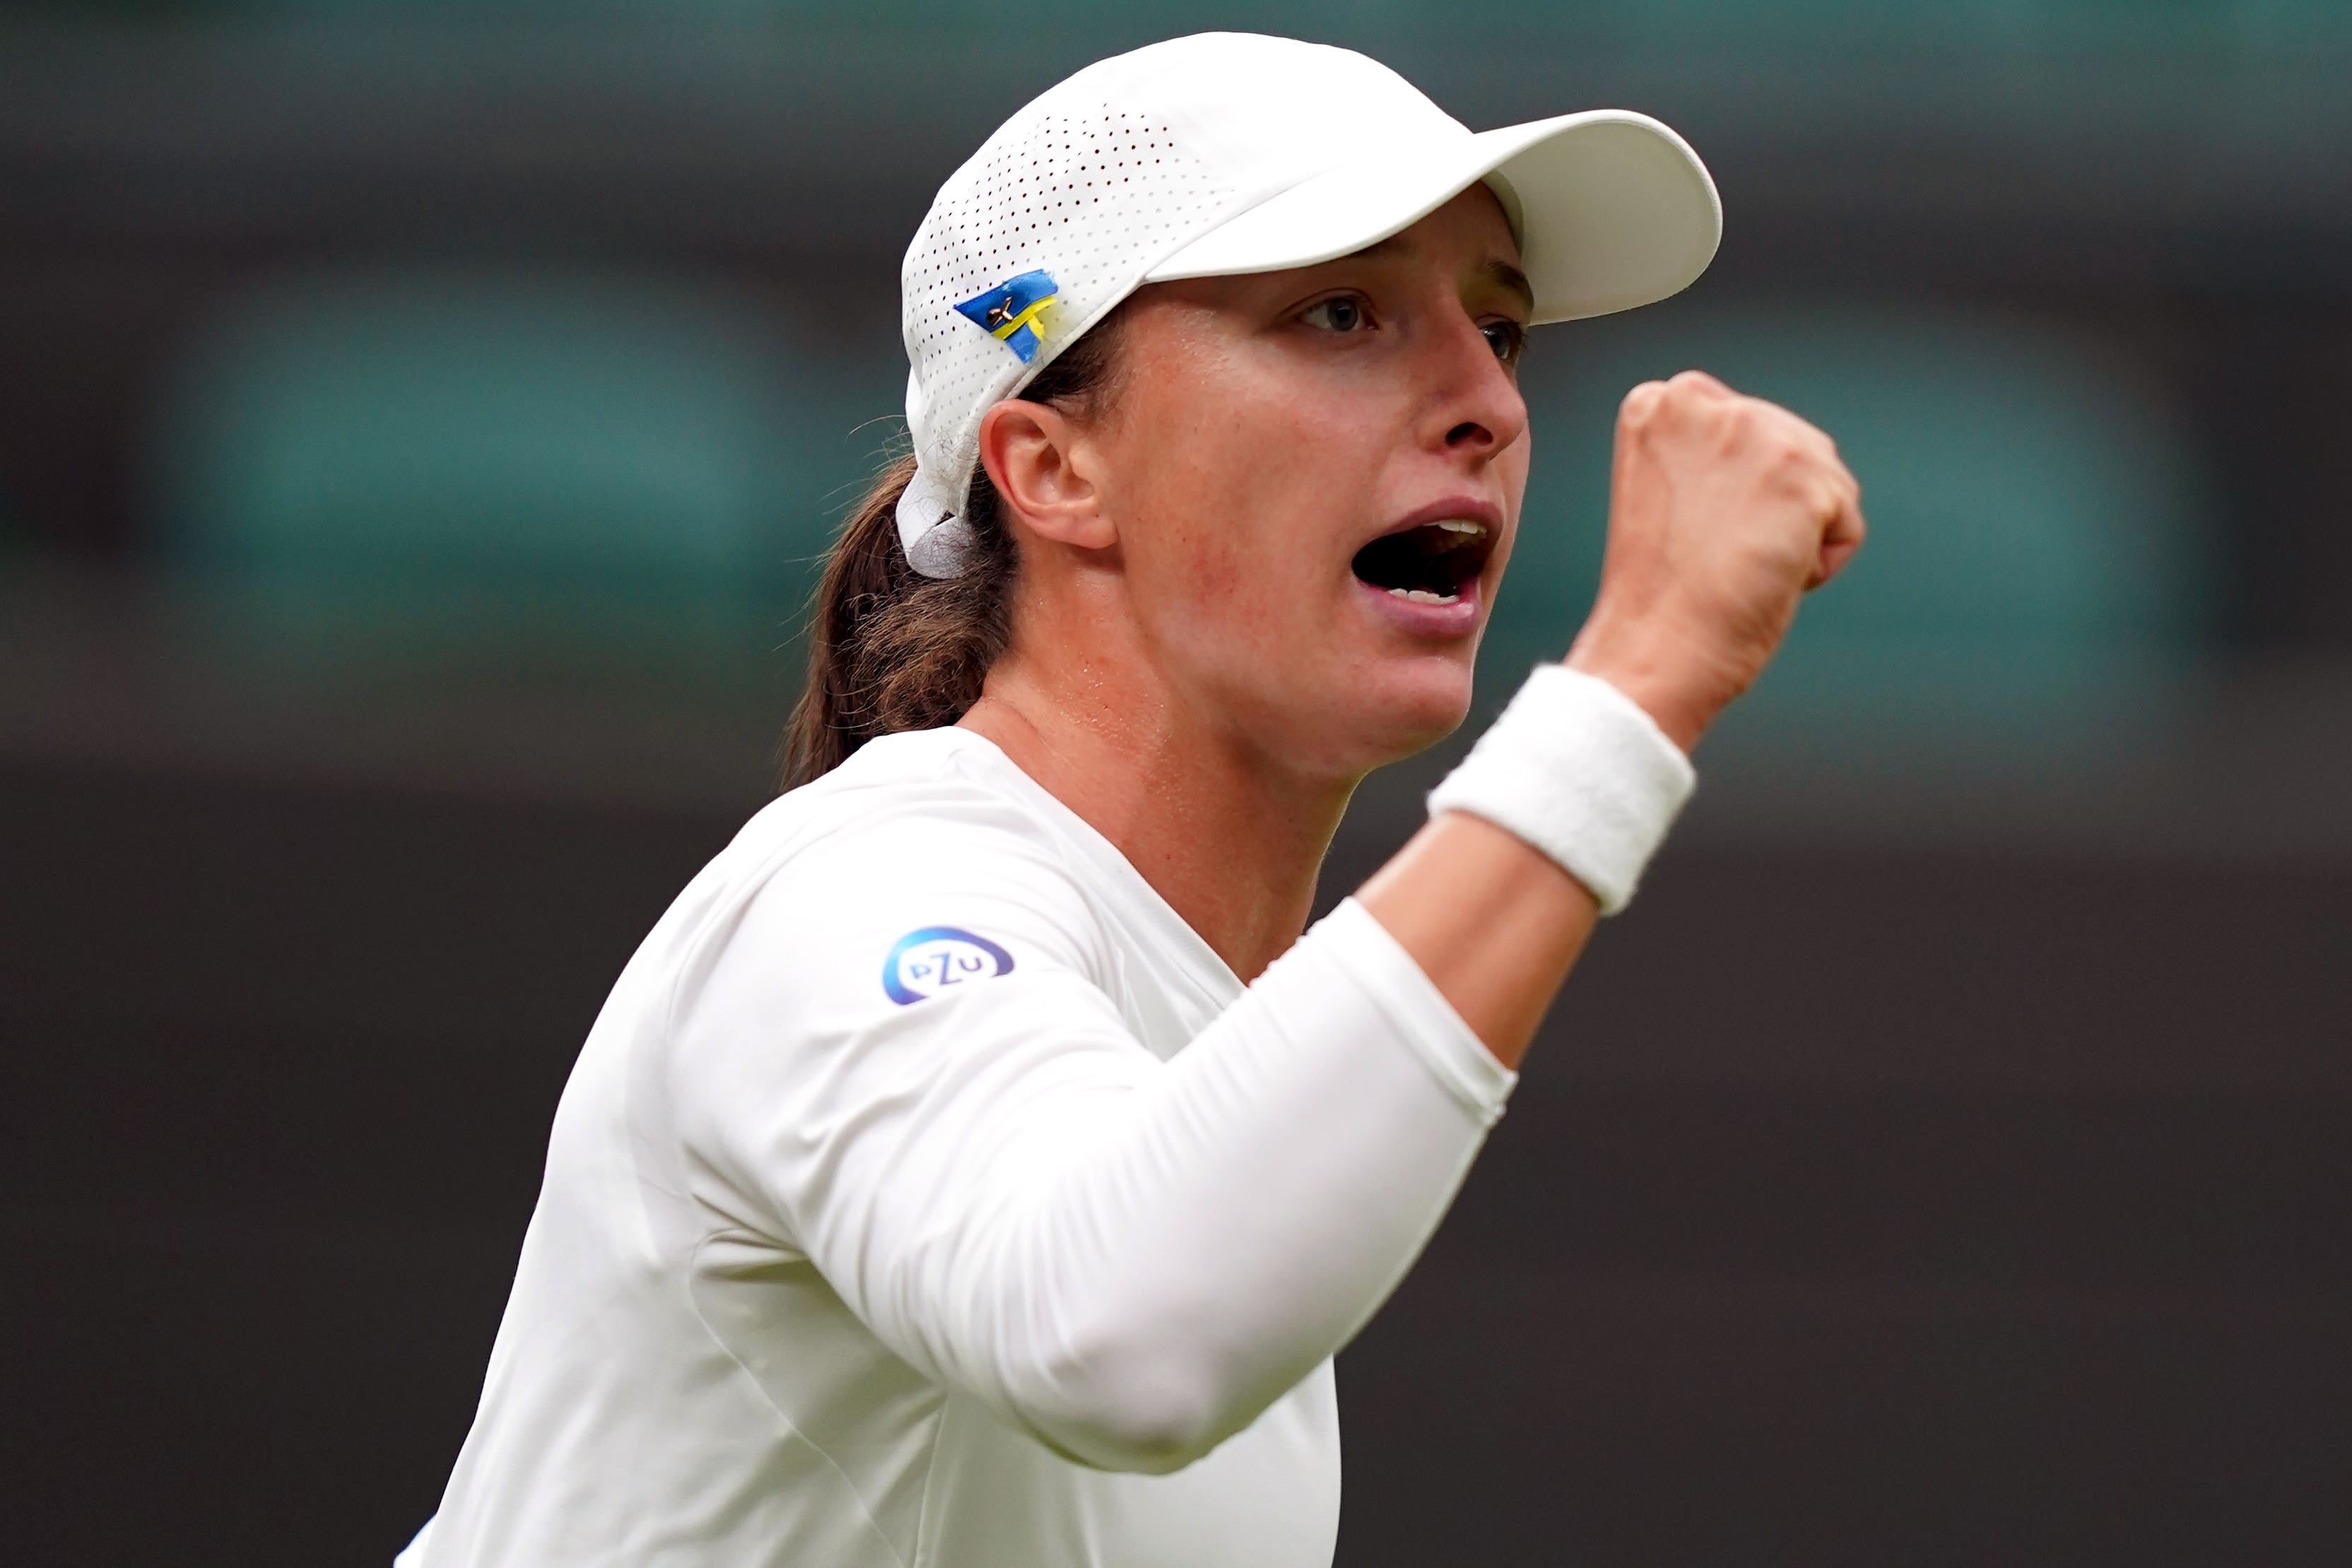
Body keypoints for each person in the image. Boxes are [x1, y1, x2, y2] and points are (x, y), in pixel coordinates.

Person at [396, 31, 1861, 1568]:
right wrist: (1637, 676)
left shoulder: (1226, 1094)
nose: (1483, 402)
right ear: (1049, 467)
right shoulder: (861, 893)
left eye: (1497, 329)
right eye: (1341, 311)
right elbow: (1114, 1335)